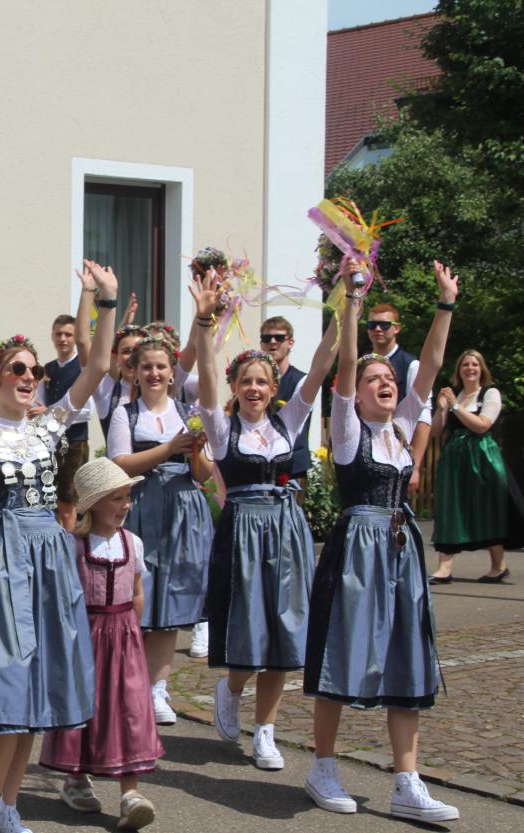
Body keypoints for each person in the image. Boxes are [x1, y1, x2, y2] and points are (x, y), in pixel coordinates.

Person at [0, 257, 118, 833]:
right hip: (2, 556)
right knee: (8, 682)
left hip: (48, 556)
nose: (29, 376)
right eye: (18, 367)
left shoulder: (49, 426)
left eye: (34, 369)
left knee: (37, 684)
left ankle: (8, 807)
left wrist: (104, 302)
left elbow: (99, 368)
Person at [304, 260, 459, 822]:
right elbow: (346, 361)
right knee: (343, 651)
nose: (386, 384)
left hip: (400, 550)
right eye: (375, 381)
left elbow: (433, 364)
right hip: (358, 551)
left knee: (408, 657)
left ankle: (407, 781)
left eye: (389, 379)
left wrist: (445, 305)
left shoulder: (400, 428)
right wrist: (350, 299)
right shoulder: (347, 433)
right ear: (357, 395)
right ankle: (323, 766)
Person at [191, 267, 339, 770]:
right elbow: (207, 380)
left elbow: (320, 369)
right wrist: (207, 322)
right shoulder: (221, 424)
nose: (254, 388)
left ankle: (266, 731)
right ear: (236, 385)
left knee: (284, 631)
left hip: (286, 528)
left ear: (274, 385)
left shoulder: (286, 420)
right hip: (242, 529)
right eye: (246, 381)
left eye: (262, 381)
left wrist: (342, 305)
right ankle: (230, 689)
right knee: (249, 631)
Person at [39, 458, 161, 830]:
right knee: (84, 706)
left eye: (127, 497)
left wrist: (134, 632)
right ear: (92, 505)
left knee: (130, 708)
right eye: (116, 498)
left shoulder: (132, 543)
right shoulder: (73, 545)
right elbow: (58, 596)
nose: (125, 505)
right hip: (85, 635)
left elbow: (137, 592)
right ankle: (75, 778)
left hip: (124, 635)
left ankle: (131, 791)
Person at [108, 335, 213, 726]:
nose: (154, 373)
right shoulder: (126, 413)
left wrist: (198, 449)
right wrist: (169, 449)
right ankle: (129, 685)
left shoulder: (189, 412)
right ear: (135, 372)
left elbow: (203, 475)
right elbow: (120, 463)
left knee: (172, 605)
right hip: (141, 506)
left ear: (173, 373)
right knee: (139, 600)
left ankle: (158, 691)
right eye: (147, 366)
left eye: (161, 367)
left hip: (184, 510)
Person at [429, 349, 521, 583]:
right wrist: (441, 409)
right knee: (451, 505)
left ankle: (498, 565)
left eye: (474, 365)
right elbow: (437, 432)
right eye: (465, 365)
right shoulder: (455, 395)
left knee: (486, 506)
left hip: (482, 457)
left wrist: (455, 407)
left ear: (482, 369)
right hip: (454, 458)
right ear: (459, 370)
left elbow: (481, 425)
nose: (470, 369)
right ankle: (445, 567)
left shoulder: (490, 394)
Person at [34, 269, 96, 530]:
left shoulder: (83, 367)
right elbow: (36, 403)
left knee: (69, 499)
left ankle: (70, 551)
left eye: (68, 335)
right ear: (52, 336)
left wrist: (48, 411)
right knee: (50, 498)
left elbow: (87, 411)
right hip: (50, 442)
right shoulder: (46, 368)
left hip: (75, 442)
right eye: (58, 334)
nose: (63, 339)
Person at [365, 302, 432, 496]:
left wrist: (415, 465)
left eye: (384, 325)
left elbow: (423, 417)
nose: (377, 329)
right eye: (372, 325)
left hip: (396, 455)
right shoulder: (363, 362)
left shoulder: (411, 365)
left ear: (397, 328)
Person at [260, 316, 311, 480]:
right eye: (267, 338)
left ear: (290, 343)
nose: (273, 342)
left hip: (293, 468)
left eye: (279, 338)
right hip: (260, 464)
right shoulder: (255, 383)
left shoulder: (302, 381)